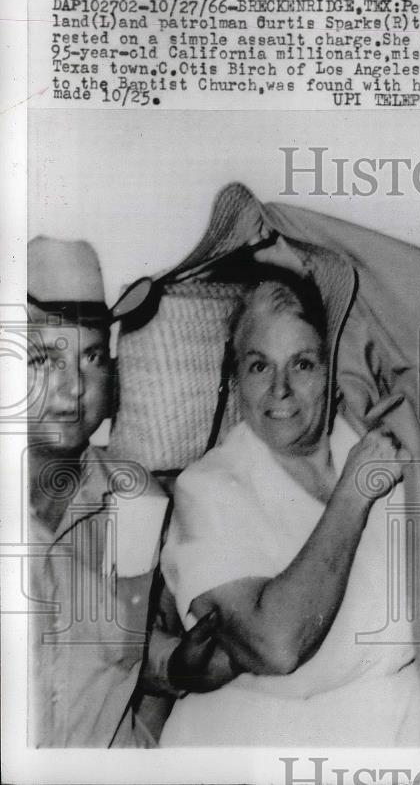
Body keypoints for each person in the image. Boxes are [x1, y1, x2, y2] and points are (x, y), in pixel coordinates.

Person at [158, 265, 420, 746]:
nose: (279, 390)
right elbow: (276, 645)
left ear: (333, 372)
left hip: (395, 738)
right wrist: (353, 494)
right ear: (234, 377)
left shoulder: (380, 451)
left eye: (302, 363)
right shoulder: (209, 487)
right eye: (259, 365)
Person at [25, 236, 231, 747]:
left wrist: (180, 667)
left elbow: (130, 654)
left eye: (92, 356)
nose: (75, 386)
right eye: (44, 359)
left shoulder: (136, 502)